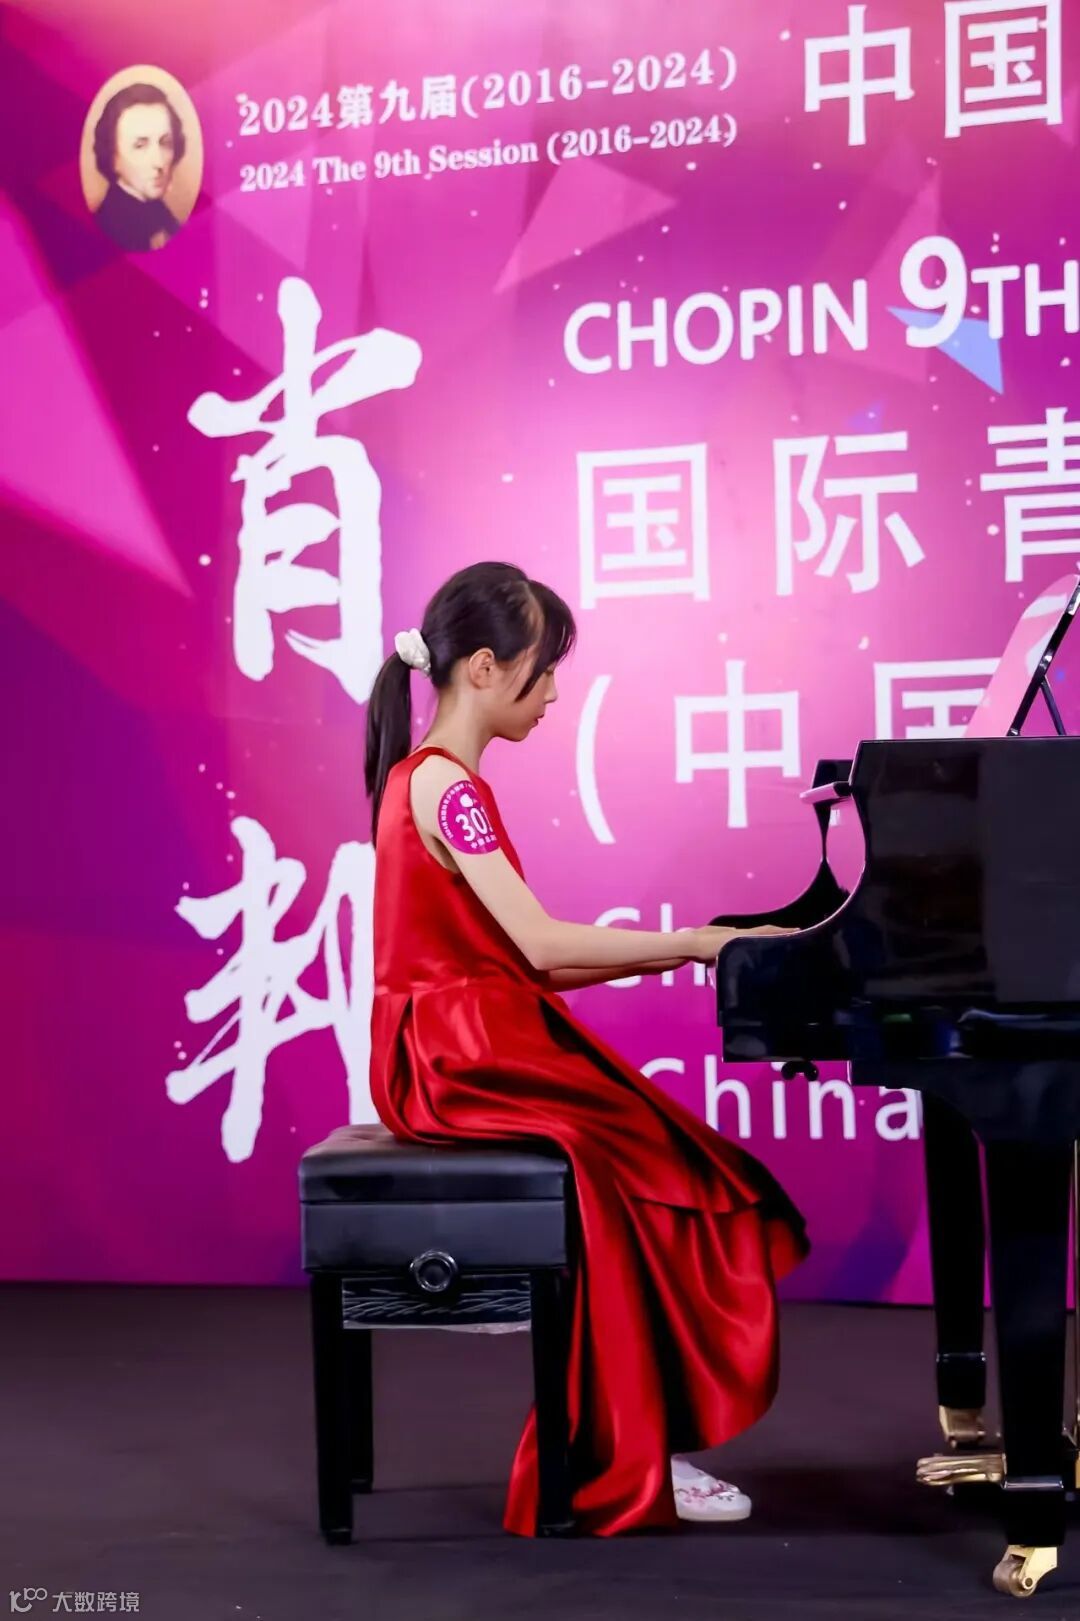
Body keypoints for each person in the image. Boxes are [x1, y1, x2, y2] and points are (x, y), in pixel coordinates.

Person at [364, 561, 808, 1536]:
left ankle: (638, 1429)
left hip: (466, 1038)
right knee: (639, 1161)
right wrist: (696, 942)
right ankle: (621, 1445)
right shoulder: (448, 787)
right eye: (544, 668)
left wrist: (697, 944)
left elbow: (535, 960)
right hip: (460, 1056)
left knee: (660, 1152)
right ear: (485, 667)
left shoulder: (429, 779)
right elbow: (539, 946)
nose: (555, 693)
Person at [91, 83, 185, 251]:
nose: (159, 162)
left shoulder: (160, 211)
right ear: (113, 157)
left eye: (166, 143)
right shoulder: (112, 223)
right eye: (140, 146)